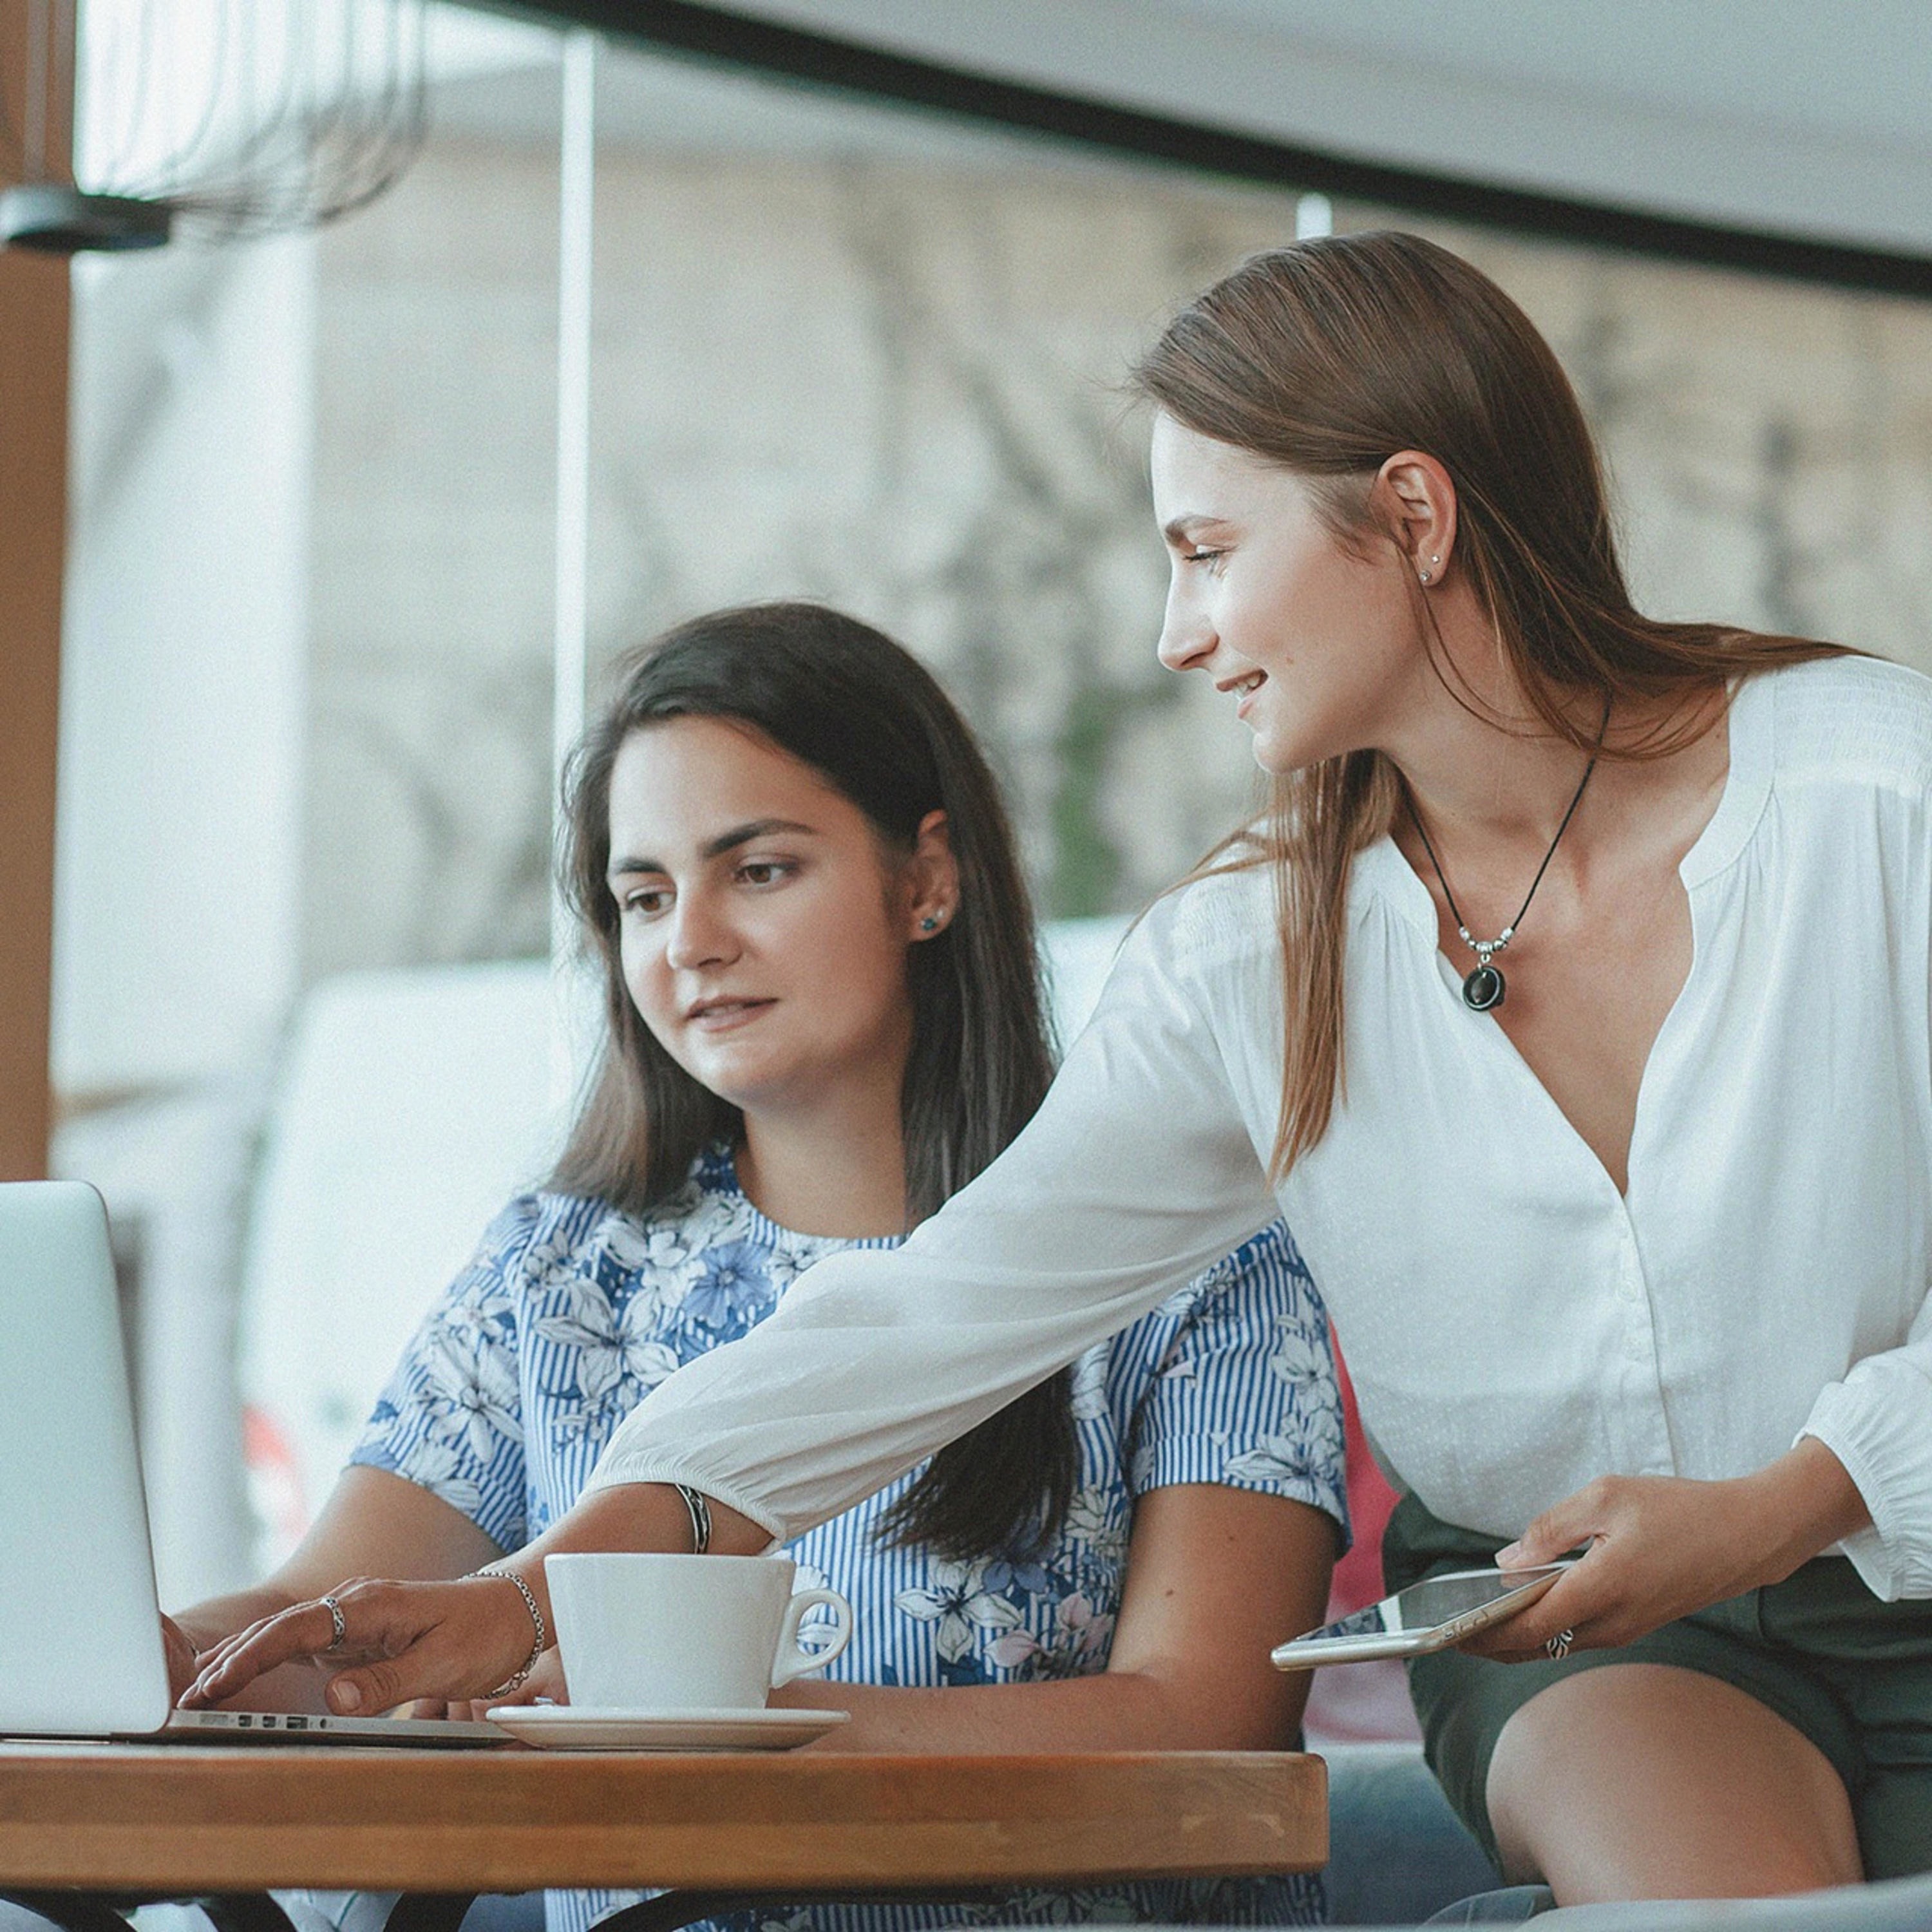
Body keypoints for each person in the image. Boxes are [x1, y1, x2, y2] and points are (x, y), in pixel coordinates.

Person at [189, 231, 1932, 1906]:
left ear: (1411, 514)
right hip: (1593, 1632)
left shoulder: (1877, 795)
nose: (1177, 633)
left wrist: (1796, 1498)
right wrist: (537, 1594)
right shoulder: (1251, 960)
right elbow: (932, 1314)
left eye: (1206, 548)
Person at [176, 601, 1345, 1932]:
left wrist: (746, 1730)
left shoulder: (1188, 1256)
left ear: (928, 879)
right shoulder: (565, 1272)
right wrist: (142, 1658)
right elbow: (325, 1621)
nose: (692, 942)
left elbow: (1211, 1720)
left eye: (761, 870)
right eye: (644, 896)